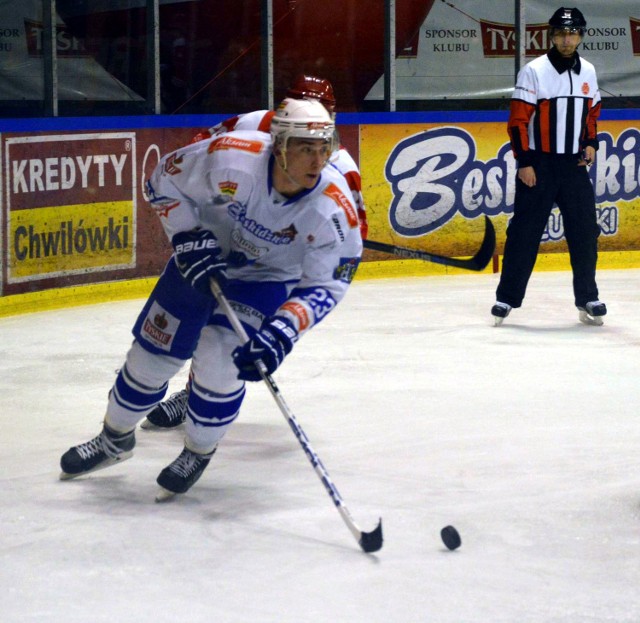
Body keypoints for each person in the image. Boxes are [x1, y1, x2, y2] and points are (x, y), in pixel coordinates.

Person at [59, 97, 363, 498]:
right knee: (152, 356)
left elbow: (329, 282)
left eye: (323, 148)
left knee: (221, 363)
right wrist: (186, 236)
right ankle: (114, 441)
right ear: (280, 146)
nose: (316, 160)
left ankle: (198, 451)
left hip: (265, 279)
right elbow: (164, 179)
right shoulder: (232, 158)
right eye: (306, 148)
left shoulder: (333, 205)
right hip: (202, 259)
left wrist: (283, 331)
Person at [143, 74, 368, 430]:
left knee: (223, 335)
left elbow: (354, 232)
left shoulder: (339, 167)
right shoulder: (252, 124)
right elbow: (200, 149)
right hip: (223, 238)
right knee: (187, 318)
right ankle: (170, 389)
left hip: (272, 263)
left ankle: (193, 394)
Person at [491, 7, 606, 327]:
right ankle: (506, 298)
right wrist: (524, 162)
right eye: (560, 33)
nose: (566, 39)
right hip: (538, 165)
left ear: (580, 35)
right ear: (551, 37)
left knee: (585, 232)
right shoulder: (534, 70)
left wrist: (591, 144)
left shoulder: (589, 71)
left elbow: (592, 113)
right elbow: (517, 121)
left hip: (573, 166)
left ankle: (588, 297)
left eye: (572, 33)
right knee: (524, 234)